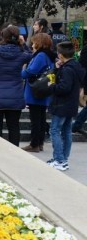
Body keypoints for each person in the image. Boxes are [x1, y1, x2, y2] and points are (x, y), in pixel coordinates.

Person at [45, 41, 85, 171]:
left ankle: (60, 160)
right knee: (66, 131)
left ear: (61, 55)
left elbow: (64, 88)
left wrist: (52, 86)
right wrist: (57, 68)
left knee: (55, 131)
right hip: (71, 105)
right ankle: (63, 159)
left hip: (61, 105)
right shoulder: (76, 66)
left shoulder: (67, 69)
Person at [20, 33, 56, 152]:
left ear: (39, 43)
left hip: (35, 90)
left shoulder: (40, 55)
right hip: (44, 90)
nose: (32, 44)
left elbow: (31, 71)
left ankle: (34, 144)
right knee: (41, 118)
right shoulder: (50, 55)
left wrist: (21, 73)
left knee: (35, 119)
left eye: (34, 41)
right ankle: (40, 143)